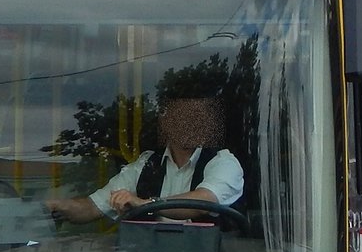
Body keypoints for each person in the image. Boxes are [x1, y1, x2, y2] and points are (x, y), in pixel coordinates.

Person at [45, 95, 244, 223]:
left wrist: (143, 203)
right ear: (166, 124)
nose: (189, 124)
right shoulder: (145, 164)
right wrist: (58, 205)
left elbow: (204, 201)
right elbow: (92, 207)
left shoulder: (223, 162)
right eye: (181, 117)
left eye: (196, 118)